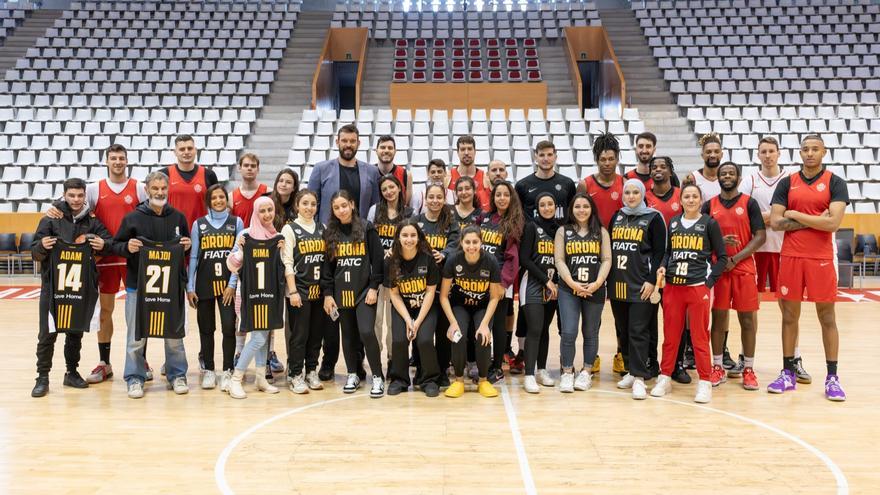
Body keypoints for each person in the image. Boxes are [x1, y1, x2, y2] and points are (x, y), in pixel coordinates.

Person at [44, 145, 148, 384]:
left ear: (127, 160)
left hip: (132, 256)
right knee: (105, 312)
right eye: (113, 158)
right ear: (107, 161)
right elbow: (69, 205)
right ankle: (105, 362)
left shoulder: (139, 187)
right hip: (105, 258)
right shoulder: (93, 189)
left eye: (121, 158)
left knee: (139, 313)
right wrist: (52, 208)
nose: (118, 162)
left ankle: (140, 359)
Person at [768, 134, 848, 401]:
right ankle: (788, 373)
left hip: (821, 258)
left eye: (815, 149)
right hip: (791, 256)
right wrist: (815, 219)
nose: (810, 153)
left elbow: (833, 224)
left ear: (824, 152)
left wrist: (795, 214)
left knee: (827, 317)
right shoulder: (787, 183)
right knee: (789, 316)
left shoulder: (836, 183)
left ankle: (832, 377)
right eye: (805, 149)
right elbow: (776, 223)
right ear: (800, 153)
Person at [31, 178, 114, 397]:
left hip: (80, 286)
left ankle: (71, 373)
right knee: (47, 333)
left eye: (80, 195)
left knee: (75, 331)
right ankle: (42, 377)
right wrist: (41, 246)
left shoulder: (92, 221)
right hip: (53, 286)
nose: (76, 200)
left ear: (85, 195)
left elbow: (109, 242)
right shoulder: (51, 218)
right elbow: (34, 252)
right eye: (72, 195)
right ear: (64, 195)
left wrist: (102, 245)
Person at [112, 171, 191, 399]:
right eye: (155, 188)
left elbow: (187, 246)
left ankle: (177, 374)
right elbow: (116, 245)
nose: (159, 192)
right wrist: (128, 247)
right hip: (138, 287)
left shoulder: (178, 217)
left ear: (168, 190)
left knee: (174, 335)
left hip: (171, 287)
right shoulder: (132, 218)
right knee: (136, 337)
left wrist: (186, 246)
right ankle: (135, 378)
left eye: (163, 188)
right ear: (146, 190)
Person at [740, 137, 812, 383]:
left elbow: (794, 213)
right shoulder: (749, 180)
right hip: (755, 250)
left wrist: (766, 217)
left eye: (771, 151)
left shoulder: (791, 179)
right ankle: (745, 358)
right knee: (749, 307)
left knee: (788, 308)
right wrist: (775, 216)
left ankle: (795, 358)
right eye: (763, 152)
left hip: (784, 250)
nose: (768, 155)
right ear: (758, 155)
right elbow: (743, 214)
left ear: (779, 153)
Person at [651, 183, 727, 403]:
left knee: (699, 337)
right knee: (671, 336)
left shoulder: (709, 223)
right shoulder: (673, 222)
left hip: (697, 287)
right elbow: (667, 252)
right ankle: (664, 377)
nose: (691, 200)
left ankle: (704, 382)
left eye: (695, 196)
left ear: (700, 200)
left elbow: (721, 257)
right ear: (681, 200)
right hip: (673, 287)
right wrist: (663, 266)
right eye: (687, 196)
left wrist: (709, 282)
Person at [705, 162, 766, 390]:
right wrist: (721, 251)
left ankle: (748, 369)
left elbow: (759, 236)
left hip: (743, 268)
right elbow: (702, 237)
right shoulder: (708, 205)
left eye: (731, 173)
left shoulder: (749, 203)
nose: (727, 176)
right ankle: (718, 366)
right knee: (719, 319)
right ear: (718, 178)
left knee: (747, 320)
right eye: (723, 173)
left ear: (739, 178)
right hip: (718, 270)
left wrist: (735, 258)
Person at [321, 190, 386, 397]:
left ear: (352, 204)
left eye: (344, 205)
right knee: (347, 335)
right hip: (342, 293)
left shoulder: (367, 227)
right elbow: (327, 268)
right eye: (336, 207)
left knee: (367, 331)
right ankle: (353, 374)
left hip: (364, 291)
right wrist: (328, 294)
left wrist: (374, 287)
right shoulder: (330, 233)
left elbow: (378, 261)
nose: (341, 210)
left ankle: (377, 376)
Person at [609, 179, 666, 399]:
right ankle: (632, 371)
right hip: (618, 283)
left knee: (638, 331)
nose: (631, 196)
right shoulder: (617, 217)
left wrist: (652, 280)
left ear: (642, 194)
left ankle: (641, 377)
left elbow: (660, 252)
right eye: (627, 192)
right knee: (623, 331)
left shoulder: (653, 218)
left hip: (642, 284)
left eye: (635, 192)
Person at [226, 197, 285, 399]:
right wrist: (241, 251)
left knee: (264, 336)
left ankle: (261, 378)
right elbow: (232, 266)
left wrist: (282, 250)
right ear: (255, 212)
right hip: (249, 296)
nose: (267, 214)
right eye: (263, 211)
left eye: (270, 210)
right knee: (258, 337)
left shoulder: (277, 237)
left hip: (270, 294)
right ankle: (235, 379)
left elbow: (283, 266)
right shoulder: (245, 234)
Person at [186, 184, 242, 392]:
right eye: (214, 198)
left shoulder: (236, 222)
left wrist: (231, 285)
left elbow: (238, 258)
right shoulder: (198, 225)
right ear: (208, 201)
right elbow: (193, 257)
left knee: (229, 328)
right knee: (206, 329)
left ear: (226, 200)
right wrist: (190, 287)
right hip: (204, 284)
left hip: (227, 286)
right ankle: (209, 369)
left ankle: (227, 370)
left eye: (221, 197)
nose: (218, 201)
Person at [554, 193, 611, 393]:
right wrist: (572, 283)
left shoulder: (601, 232)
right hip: (569, 289)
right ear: (571, 210)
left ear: (591, 209)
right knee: (569, 331)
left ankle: (586, 371)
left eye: (585, 206)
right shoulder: (563, 231)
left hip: (594, 288)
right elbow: (559, 260)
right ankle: (568, 372)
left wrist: (597, 283)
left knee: (590, 332)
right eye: (577, 206)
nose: (581, 210)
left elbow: (606, 260)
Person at [578, 133, 624, 374]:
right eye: (603, 159)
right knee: (591, 310)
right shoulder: (586, 184)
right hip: (590, 253)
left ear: (617, 159)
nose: (607, 163)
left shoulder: (625, 184)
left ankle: (621, 353)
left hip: (618, 254)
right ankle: (591, 355)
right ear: (596, 159)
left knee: (619, 307)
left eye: (611, 158)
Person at [439, 226, 504, 398]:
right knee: (458, 335)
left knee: (483, 337)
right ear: (461, 242)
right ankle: (459, 380)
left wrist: (484, 325)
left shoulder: (490, 261)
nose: (471, 246)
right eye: (467, 242)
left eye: (475, 242)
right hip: (460, 306)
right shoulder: (453, 260)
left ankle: (483, 380)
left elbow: (494, 297)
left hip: (482, 306)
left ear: (481, 242)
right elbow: (444, 296)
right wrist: (452, 323)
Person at [385, 220, 442, 396]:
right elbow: (394, 294)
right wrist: (408, 320)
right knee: (399, 340)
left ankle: (429, 379)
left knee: (424, 340)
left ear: (418, 237)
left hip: (425, 306)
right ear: (398, 237)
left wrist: (416, 322)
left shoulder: (428, 258)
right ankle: (399, 379)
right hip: (403, 307)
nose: (409, 239)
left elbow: (431, 292)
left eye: (412, 235)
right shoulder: (391, 260)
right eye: (405, 235)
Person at [281, 190, 330, 394]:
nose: (309, 208)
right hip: (299, 290)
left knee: (316, 335)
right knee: (299, 335)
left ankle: (311, 370)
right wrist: (292, 291)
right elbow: (287, 262)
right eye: (305, 203)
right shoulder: (289, 229)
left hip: (318, 291)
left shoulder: (322, 228)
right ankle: (295, 374)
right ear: (297, 206)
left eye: (313, 204)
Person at [416, 183, 461, 386]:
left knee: (443, 329)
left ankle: (442, 370)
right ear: (426, 199)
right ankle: (420, 369)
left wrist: (443, 254)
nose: (435, 201)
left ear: (444, 199)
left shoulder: (451, 222)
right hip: (420, 283)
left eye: (439, 197)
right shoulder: (416, 222)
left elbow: (455, 244)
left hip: (444, 282)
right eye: (431, 197)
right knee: (420, 327)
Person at [479, 181, 524, 383]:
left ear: (511, 197)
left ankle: (497, 366)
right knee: (483, 322)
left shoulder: (513, 223)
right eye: (498, 195)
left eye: (506, 194)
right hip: (480, 281)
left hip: (499, 284)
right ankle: (484, 362)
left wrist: (503, 284)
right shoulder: (485, 218)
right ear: (493, 197)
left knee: (498, 327)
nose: (502, 198)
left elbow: (512, 258)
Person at [367, 175, 413, 363]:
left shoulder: (409, 212)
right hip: (377, 272)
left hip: (399, 274)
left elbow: (412, 242)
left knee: (395, 322)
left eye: (392, 187)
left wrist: (395, 252)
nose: (389, 192)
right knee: (376, 321)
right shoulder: (374, 210)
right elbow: (368, 240)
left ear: (399, 188)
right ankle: (375, 359)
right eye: (385, 189)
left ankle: (395, 358)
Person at [518, 193, 562, 393]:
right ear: (537, 208)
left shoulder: (561, 230)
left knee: (544, 329)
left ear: (555, 206)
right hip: (533, 284)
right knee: (534, 329)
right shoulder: (531, 227)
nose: (546, 208)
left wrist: (556, 282)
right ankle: (529, 375)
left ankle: (542, 369)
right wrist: (546, 281)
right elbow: (524, 259)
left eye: (550, 204)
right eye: (542, 205)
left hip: (553, 286)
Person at [309, 124, 380, 225]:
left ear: (358, 143)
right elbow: (311, 203)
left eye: (352, 141)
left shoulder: (372, 171)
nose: (348, 145)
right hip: (329, 232)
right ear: (337, 142)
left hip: (360, 234)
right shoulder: (320, 169)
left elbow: (375, 207)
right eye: (344, 141)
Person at [160, 134, 219, 229]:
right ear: (175, 152)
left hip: (203, 232)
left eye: (190, 148)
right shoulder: (164, 174)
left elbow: (216, 206)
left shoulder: (209, 175)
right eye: (182, 149)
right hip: (172, 234)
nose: (186, 152)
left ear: (195, 150)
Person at [515, 140, 577, 220]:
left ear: (555, 157)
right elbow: (517, 214)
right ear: (536, 158)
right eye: (541, 155)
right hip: (533, 232)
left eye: (549, 155)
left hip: (560, 232)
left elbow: (573, 213)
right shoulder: (522, 185)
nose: (546, 159)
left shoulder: (568, 183)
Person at [447, 135, 492, 211]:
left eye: (470, 149)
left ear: (475, 151)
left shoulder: (485, 178)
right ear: (457, 152)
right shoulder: (448, 177)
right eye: (463, 149)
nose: (466, 153)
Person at [231, 153, 269, 229]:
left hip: (263, 240)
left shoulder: (268, 192)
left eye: (253, 166)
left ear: (258, 169)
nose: (249, 168)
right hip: (241, 239)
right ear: (239, 168)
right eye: (246, 165)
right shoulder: (231, 197)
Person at [684, 133, 723, 201]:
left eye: (716, 151)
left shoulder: (728, 178)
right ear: (702, 155)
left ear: (721, 154)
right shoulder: (692, 178)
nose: (712, 155)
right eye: (708, 152)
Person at [375, 135, 412, 205]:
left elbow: (407, 204)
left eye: (390, 148)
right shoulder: (368, 173)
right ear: (376, 151)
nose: (386, 150)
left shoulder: (406, 174)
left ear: (395, 151)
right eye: (383, 147)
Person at [645, 157, 682, 226]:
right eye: (654, 168)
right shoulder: (644, 198)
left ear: (670, 172)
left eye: (663, 167)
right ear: (650, 174)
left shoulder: (681, 194)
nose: (658, 169)